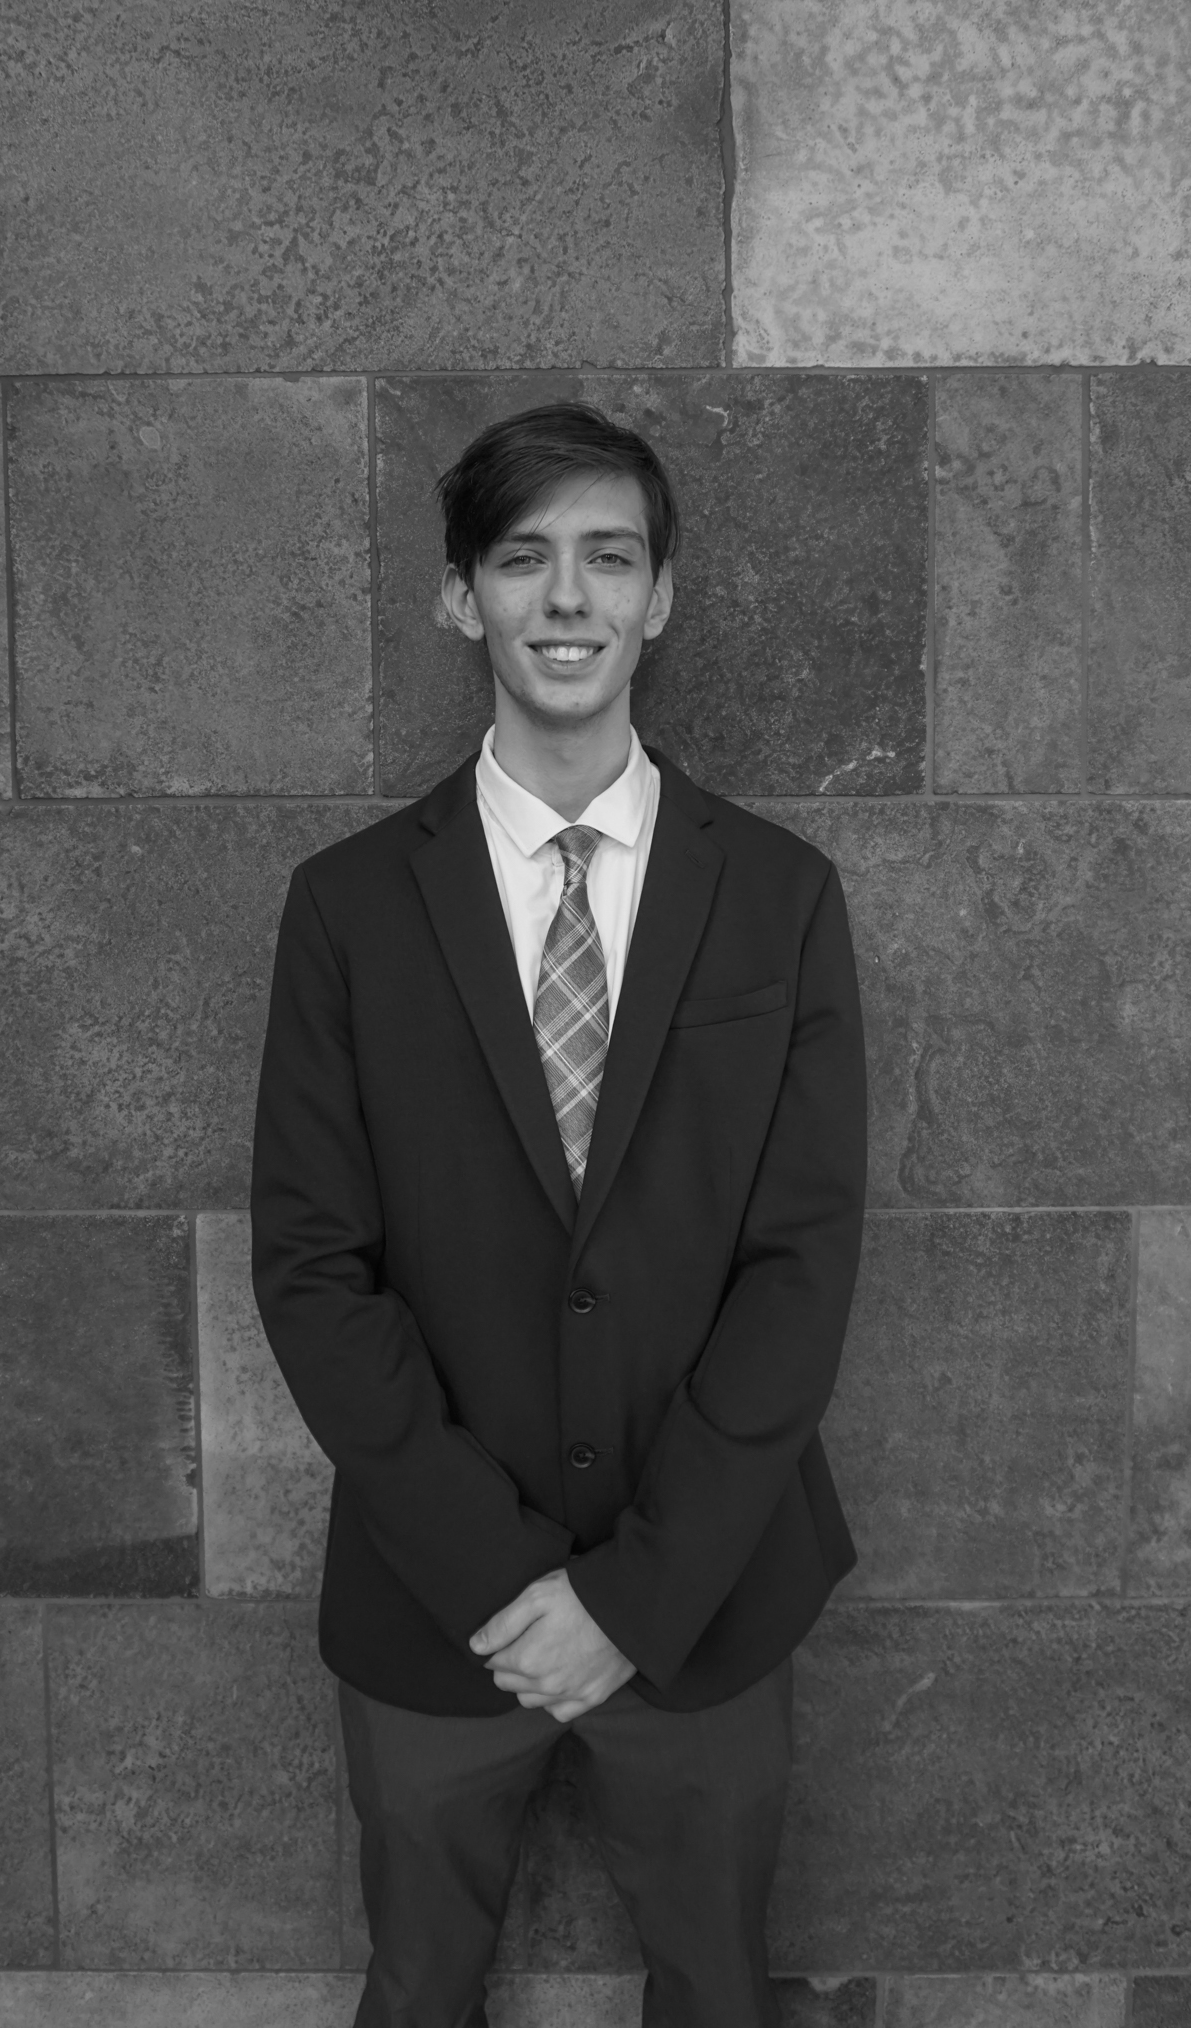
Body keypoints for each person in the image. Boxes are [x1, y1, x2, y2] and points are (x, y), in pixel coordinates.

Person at [251, 400, 868, 2027]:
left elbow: (798, 1271)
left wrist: (634, 1596)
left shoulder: (781, 897)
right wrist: (500, 1580)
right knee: (418, 1986)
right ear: (462, 597)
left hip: (708, 1594)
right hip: (435, 1599)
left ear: (662, 595)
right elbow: (314, 1270)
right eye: (523, 559)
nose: (568, 598)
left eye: (609, 557)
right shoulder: (350, 909)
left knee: (720, 1994)